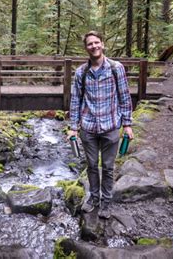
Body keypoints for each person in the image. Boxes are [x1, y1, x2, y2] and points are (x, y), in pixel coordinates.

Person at [67, 30, 134, 219]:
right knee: (91, 165)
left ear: (102, 44)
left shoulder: (116, 68)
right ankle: (94, 198)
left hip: (111, 125)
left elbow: (124, 96)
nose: (94, 46)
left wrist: (127, 124)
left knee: (107, 166)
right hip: (88, 127)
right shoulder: (81, 72)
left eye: (97, 42)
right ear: (86, 48)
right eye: (90, 44)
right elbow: (75, 100)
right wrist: (73, 127)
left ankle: (106, 202)